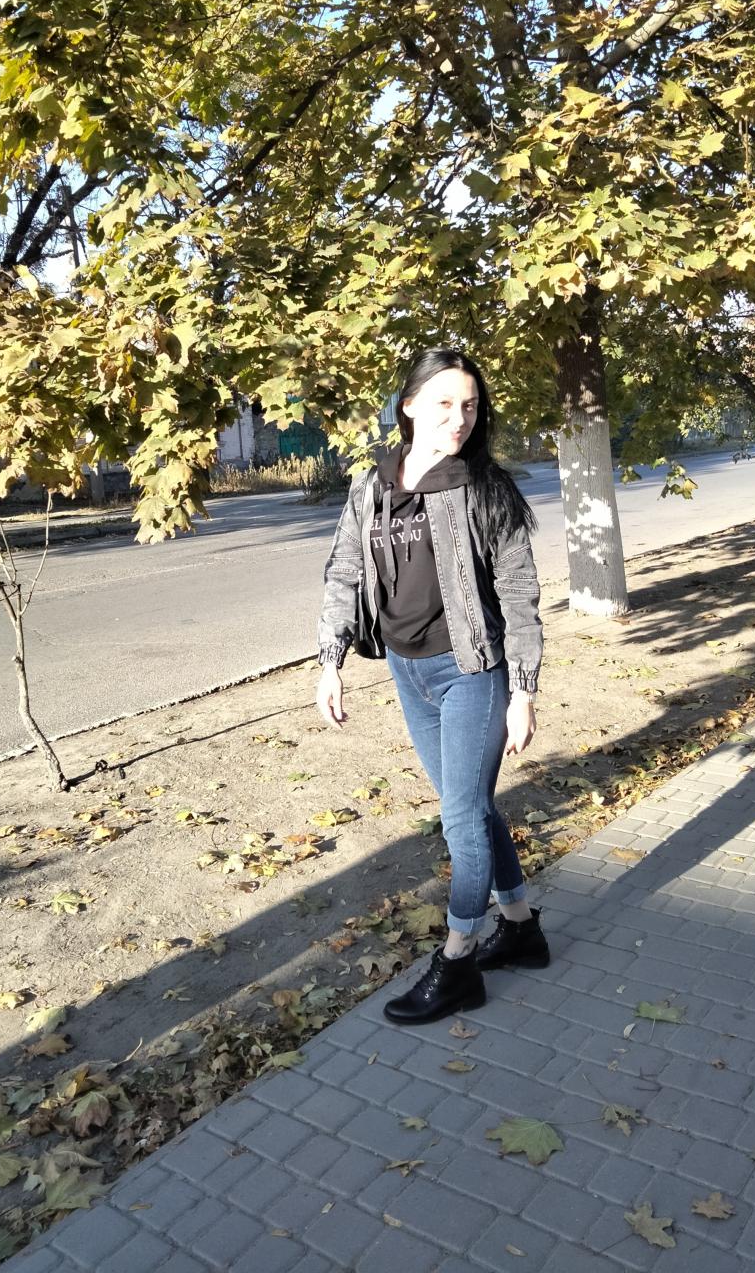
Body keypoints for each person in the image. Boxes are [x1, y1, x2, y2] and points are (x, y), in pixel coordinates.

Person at [316, 348, 550, 1025]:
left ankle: (457, 963)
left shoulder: (486, 489)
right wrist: (330, 659)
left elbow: (520, 594)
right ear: (410, 406)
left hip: (472, 671)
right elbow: (345, 572)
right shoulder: (372, 486)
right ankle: (521, 929)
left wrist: (523, 692)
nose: (459, 419)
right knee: (469, 806)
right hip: (407, 670)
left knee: (461, 820)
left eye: (469, 406)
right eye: (445, 404)